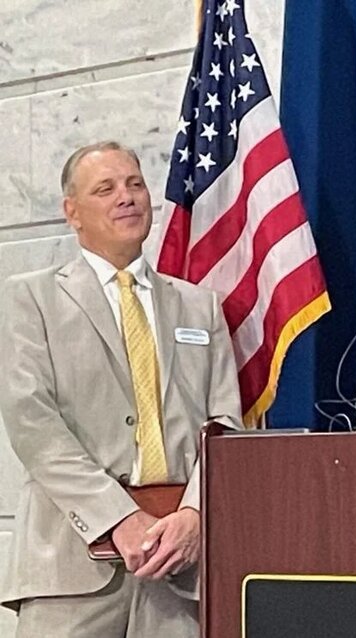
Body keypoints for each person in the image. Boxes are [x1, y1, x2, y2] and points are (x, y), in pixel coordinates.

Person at [0, 141, 243, 637]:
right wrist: (117, 518)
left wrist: (196, 514)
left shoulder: (202, 309)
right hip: (69, 567)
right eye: (105, 189)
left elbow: (226, 426)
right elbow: (33, 423)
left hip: (180, 567)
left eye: (135, 184)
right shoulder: (29, 298)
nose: (126, 197)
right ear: (72, 212)